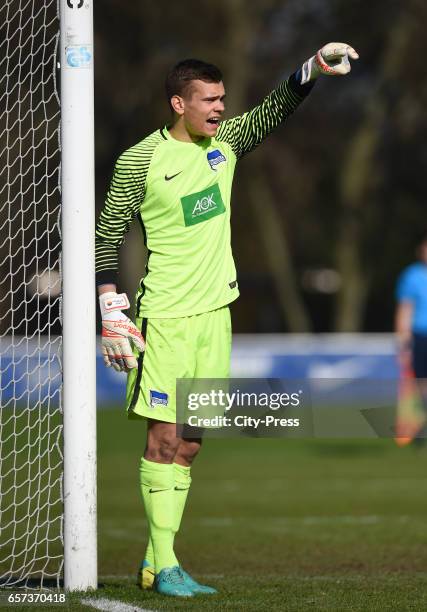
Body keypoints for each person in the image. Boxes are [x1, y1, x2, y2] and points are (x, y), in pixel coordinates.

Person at [95, 43, 359, 598]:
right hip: (164, 317)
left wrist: (312, 68)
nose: (219, 109)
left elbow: (275, 108)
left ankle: (154, 559)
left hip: (216, 318)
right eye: (208, 100)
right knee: (162, 440)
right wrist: (109, 305)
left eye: (221, 99)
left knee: (190, 444)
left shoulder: (228, 144)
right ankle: (167, 567)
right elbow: (106, 234)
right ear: (178, 103)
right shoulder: (140, 160)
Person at [395, 232, 427, 441]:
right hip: (421, 335)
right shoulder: (412, 276)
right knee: (421, 382)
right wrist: (402, 342)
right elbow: (405, 309)